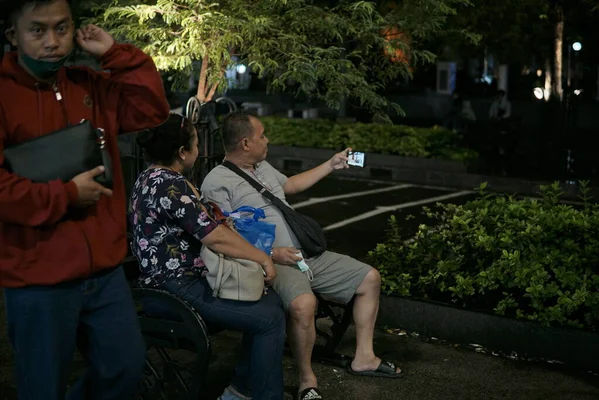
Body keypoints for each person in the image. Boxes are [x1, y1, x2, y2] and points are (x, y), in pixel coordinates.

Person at [0, 1, 170, 399]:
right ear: (13, 36)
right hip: (36, 277)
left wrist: (115, 55)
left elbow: (151, 110)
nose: (52, 42)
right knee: (41, 387)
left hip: (103, 270)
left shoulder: (88, 83)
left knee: (125, 367)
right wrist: (66, 195)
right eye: (37, 30)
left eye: (61, 28)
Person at [201, 111, 403, 400]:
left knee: (370, 279)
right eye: (262, 135)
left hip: (304, 254)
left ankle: (364, 357)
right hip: (272, 263)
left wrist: (331, 165)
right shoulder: (217, 182)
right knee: (303, 304)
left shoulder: (262, 166)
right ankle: (307, 380)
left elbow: (290, 185)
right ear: (245, 143)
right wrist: (271, 253)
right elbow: (224, 237)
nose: (267, 140)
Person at [130, 113, 286, 400]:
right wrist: (263, 258)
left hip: (174, 285)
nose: (200, 151)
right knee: (268, 319)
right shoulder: (170, 185)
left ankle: (240, 389)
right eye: (197, 144)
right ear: (181, 152)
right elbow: (214, 235)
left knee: (271, 303)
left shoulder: (150, 177)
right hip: (173, 291)